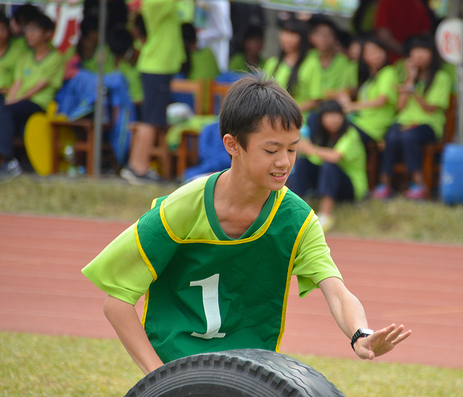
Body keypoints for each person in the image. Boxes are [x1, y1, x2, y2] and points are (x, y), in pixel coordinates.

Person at [81, 75, 411, 375]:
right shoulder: (182, 208)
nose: (284, 162)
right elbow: (117, 301)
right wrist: (160, 379)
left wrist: (360, 333)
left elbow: (336, 291)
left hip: (248, 376)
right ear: (232, 145)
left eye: (293, 149)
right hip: (176, 370)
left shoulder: (297, 220)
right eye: (271, 150)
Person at [372, 34, 451, 200]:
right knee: (391, 137)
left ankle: (418, 184)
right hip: (403, 122)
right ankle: (384, 184)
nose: (420, 55)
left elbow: (429, 108)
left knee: (409, 136)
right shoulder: (405, 76)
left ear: (432, 54)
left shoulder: (441, 77)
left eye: (424, 51)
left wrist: (413, 88)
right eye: (416, 51)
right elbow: (400, 107)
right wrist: (410, 78)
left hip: (428, 124)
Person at [120, 0, 186, 185]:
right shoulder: (156, 2)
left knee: (148, 119)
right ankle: (140, 168)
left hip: (156, 66)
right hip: (158, 67)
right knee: (152, 120)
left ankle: (135, 166)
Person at [0, 12, 65, 183]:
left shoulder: (56, 58)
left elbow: (39, 87)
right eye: (27, 29)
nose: (29, 33)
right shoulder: (25, 57)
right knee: (4, 110)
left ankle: (7, 161)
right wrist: (9, 102)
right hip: (18, 103)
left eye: (34, 29)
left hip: (38, 103)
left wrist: (12, 104)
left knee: (6, 111)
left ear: (48, 34)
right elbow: (17, 83)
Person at [288, 100, 367, 232]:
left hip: (351, 187)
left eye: (338, 115)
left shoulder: (350, 133)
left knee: (330, 165)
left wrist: (310, 148)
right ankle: (294, 211)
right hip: (327, 181)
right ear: (321, 118)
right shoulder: (321, 134)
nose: (334, 119)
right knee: (302, 163)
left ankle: (325, 216)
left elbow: (335, 156)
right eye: (329, 115)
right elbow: (314, 159)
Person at [340, 35, 398, 143]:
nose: (377, 55)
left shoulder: (388, 72)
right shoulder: (369, 79)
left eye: (379, 51)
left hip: (374, 126)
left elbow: (381, 100)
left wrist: (353, 106)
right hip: (360, 121)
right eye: (371, 52)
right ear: (363, 57)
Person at [263, 19, 323, 113]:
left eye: (292, 34)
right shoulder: (272, 63)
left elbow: (315, 99)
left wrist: (291, 112)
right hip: (272, 117)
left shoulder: (312, 64)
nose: (287, 38)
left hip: (299, 119)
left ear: (302, 39)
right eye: (285, 33)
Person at [306, 18, 352, 98]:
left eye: (328, 35)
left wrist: (319, 93)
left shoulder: (343, 61)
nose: (324, 39)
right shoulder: (307, 58)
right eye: (320, 34)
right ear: (311, 37)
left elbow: (346, 91)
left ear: (335, 38)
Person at [0, 14, 27, 101]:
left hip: (6, 96)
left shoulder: (18, 53)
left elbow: (19, 80)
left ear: (9, 31)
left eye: (3, 29)